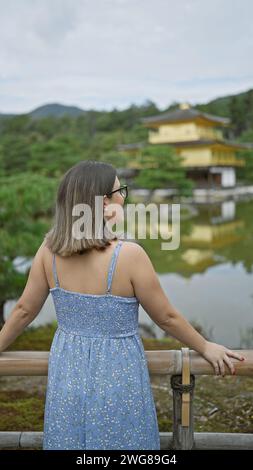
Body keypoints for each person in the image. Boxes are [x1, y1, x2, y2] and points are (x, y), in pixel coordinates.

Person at [0, 160, 245, 450]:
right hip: (119, 369)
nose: (124, 197)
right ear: (104, 202)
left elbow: (24, 310)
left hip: (67, 367)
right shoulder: (129, 255)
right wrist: (205, 346)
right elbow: (165, 317)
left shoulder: (48, 251)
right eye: (121, 190)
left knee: (70, 439)